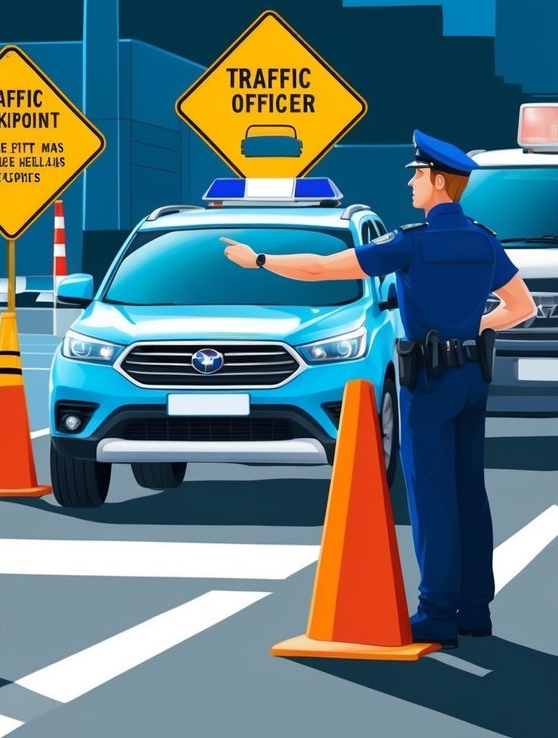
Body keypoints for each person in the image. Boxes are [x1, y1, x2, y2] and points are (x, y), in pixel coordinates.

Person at [220, 130, 537, 649]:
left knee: (432, 497)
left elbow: (321, 269)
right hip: (471, 381)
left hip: (429, 382)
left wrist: (257, 260)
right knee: (468, 493)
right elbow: (522, 307)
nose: (411, 183)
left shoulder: (411, 242)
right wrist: (477, 329)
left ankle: (437, 614)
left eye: (417, 175)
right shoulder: (484, 240)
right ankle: (476, 610)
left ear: (438, 182)